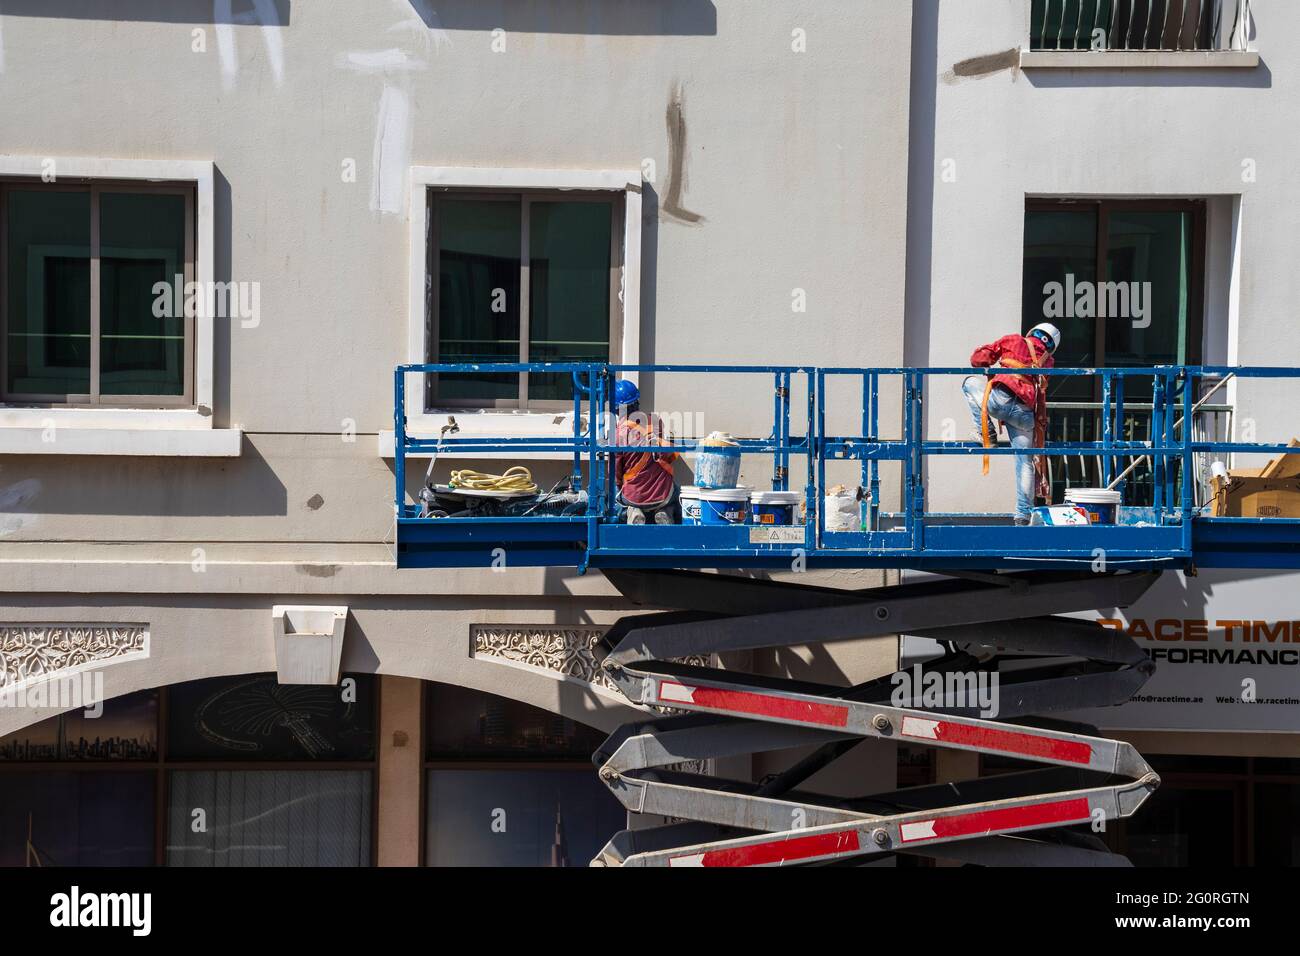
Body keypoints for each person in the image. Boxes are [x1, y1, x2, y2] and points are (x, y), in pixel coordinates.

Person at [961, 323, 1061, 525]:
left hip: (1000, 400)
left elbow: (977, 360)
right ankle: (1023, 516)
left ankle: (986, 434)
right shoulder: (1048, 361)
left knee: (969, 382)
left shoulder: (1014, 340)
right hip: (1025, 413)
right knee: (1025, 463)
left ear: (1033, 332)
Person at [612, 379, 679, 525]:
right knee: (676, 491)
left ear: (617, 409)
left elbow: (617, 471)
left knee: (615, 494)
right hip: (663, 494)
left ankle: (633, 511)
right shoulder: (655, 421)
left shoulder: (618, 434)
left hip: (634, 496)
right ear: (637, 402)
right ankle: (664, 511)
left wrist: (619, 485)